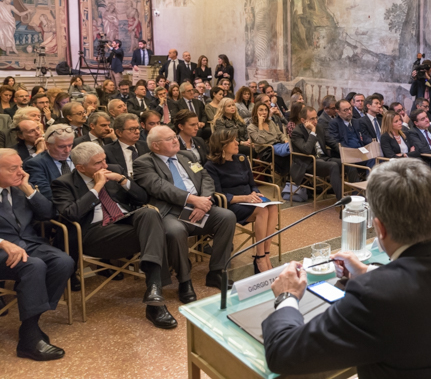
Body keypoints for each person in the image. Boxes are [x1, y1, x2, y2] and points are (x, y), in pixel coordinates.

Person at [263, 158, 431, 377]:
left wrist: (287, 296)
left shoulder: (375, 295)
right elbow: (425, 289)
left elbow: (283, 354)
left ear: (379, 229)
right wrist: (368, 272)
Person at [51, 142, 175, 329]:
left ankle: (154, 296)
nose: (104, 166)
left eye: (104, 160)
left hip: (124, 222)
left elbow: (142, 198)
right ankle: (155, 297)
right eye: (98, 163)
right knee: (155, 233)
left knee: (150, 214)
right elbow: (71, 214)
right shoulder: (63, 183)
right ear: (80, 168)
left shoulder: (115, 170)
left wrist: (123, 181)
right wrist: (98, 186)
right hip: (95, 234)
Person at [133, 126, 237, 302]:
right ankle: (184, 280)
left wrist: (203, 201)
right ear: (156, 146)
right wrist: (192, 200)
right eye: (169, 139)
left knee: (227, 217)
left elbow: (206, 178)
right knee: (175, 232)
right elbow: (159, 187)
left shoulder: (186, 156)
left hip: (199, 206)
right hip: (169, 212)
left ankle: (217, 271)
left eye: (175, 136)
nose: (175, 140)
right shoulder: (143, 163)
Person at [0, 148, 74, 361]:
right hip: (3, 249)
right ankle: (29, 339)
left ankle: (29, 326)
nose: (20, 172)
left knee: (63, 261)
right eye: (13, 169)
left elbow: (48, 214)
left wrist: (26, 188)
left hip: (29, 244)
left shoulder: (18, 187)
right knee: (34, 266)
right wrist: (3, 242)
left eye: (21, 167)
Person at [204, 129, 279, 273]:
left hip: (250, 199)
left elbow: (252, 184)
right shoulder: (211, 166)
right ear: (222, 145)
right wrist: (245, 198)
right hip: (231, 204)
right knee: (262, 210)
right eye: (232, 140)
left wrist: (256, 193)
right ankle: (260, 257)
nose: (237, 143)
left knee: (272, 207)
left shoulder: (241, 159)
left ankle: (266, 254)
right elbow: (218, 195)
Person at [290, 105, 346, 200]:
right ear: (303, 120)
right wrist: (312, 132)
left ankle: (356, 195)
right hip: (309, 162)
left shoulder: (319, 127)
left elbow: (331, 142)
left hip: (323, 158)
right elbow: (307, 150)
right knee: (333, 165)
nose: (315, 121)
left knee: (345, 162)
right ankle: (342, 200)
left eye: (316, 117)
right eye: (312, 119)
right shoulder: (297, 132)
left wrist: (346, 152)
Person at [23, 125, 75, 201]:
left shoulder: (76, 157)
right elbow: (46, 194)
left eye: (70, 145)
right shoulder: (35, 164)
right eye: (61, 147)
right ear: (48, 145)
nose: (67, 150)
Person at [248, 102, 290, 176]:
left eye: (266, 110)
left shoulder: (270, 122)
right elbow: (260, 141)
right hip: (266, 151)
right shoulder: (251, 127)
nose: (264, 112)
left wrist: (286, 141)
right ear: (255, 112)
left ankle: (292, 179)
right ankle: (287, 178)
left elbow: (280, 134)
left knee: (293, 155)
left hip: (278, 146)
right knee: (285, 158)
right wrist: (260, 124)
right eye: (261, 110)